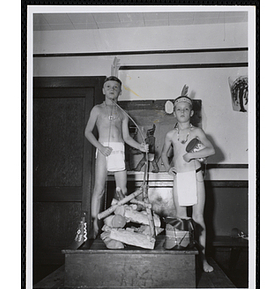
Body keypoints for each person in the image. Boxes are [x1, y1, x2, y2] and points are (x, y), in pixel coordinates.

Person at [85, 76, 148, 238]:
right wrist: (100, 147)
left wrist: (140, 146)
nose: (112, 89)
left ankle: (119, 225)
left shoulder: (123, 113)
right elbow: (87, 132)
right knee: (99, 189)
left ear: (120, 91)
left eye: (115, 87)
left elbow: (127, 138)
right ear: (103, 90)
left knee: (123, 190)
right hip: (104, 148)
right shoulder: (97, 109)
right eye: (108, 86)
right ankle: (94, 222)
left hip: (119, 149)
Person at [161, 95, 215, 272]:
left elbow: (211, 149)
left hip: (196, 175)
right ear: (174, 113)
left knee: (198, 219)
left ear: (191, 112)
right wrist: (169, 168)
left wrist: (192, 155)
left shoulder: (197, 132)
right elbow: (163, 154)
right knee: (182, 218)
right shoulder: (170, 134)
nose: (182, 112)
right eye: (179, 109)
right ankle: (184, 262)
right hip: (180, 178)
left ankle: (202, 260)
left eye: (186, 109)